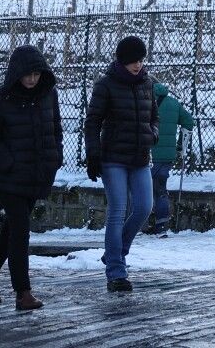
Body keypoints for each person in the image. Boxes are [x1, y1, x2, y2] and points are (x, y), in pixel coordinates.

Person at [0, 44, 62, 311]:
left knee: (12, 232)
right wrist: (7, 163)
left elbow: (55, 128)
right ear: (16, 74)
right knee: (20, 231)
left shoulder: (48, 94)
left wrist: (54, 158)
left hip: (36, 174)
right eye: (27, 75)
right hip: (9, 178)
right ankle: (23, 292)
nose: (32, 80)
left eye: (36, 74)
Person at [84, 35, 158, 292]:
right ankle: (116, 272)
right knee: (117, 210)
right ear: (121, 61)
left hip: (139, 157)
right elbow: (92, 122)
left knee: (144, 207)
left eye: (140, 60)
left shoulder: (147, 83)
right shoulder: (105, 85)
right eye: (132, 61)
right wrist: (93, 154)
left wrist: (152, 134)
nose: (138, 65)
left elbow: (154, 117)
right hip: (113, 157)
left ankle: (115, 252)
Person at [146, 80, 195, 235]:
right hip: (167, 156)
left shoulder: (143, 101)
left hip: (145, 154)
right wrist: (181, 145)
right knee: (160, 188)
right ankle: (161, 226)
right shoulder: (173, 103)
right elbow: (189, 121)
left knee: (141, 188)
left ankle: (142, 224)